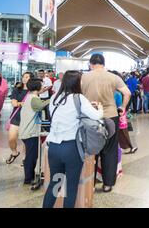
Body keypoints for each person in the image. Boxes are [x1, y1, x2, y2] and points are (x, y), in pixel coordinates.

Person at [43, 71, 104, 208]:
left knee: (56, 183)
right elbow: (96, 116)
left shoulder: (54, 98)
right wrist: (99, 108)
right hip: (71, 149)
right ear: (76, 82)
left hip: (53, 147)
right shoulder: (79, 98)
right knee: (71, 188)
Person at [81, 54, 131, 193]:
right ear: (103, 63)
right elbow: (127, 93)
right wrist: (122, 107)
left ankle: (89, 183)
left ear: (90, 64)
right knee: (110, 149)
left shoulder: (84, 77)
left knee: (90, 149)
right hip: (110, 116)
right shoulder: (113, 77)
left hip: (90, 116)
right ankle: (108, 184)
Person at [18, 78, 50, 186]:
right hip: (30, 132)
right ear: (38, 87)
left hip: (28, 131)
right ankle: (28, 178)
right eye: (42, 85)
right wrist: (52, 98)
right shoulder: (33, 98)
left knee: (31, 155)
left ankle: (30, 175)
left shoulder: (31, 97)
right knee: (31, 157)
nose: (43, 87)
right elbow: (41, 106)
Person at [6, 72, 34, 164]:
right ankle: (14, 153)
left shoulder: (33, 90)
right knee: (11, 139)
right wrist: (22, 104)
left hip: (27, 118)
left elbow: (33, 104)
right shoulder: (17, 88)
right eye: (23, 77)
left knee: (26, 141)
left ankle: (25, 158)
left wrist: (20, 103)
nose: (24, 78)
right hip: (16, 117)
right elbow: (14, 103)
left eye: (27, 77)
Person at [112, 71, 138, 155]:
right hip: (118, 114)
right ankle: (127, 147)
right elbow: (126, 96)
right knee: (123, 132)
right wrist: (123, 108)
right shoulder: (117, 94)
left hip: (108, 115)